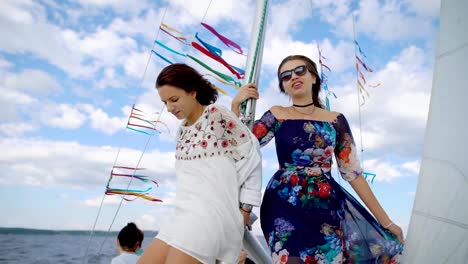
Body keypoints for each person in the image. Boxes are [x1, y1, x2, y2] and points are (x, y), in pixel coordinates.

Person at [231, 55, 404, 263]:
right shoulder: (277, 115)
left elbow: (353, 175)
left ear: (313, 77)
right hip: (283, 204)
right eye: (285, 76)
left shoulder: (335, 120)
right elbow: (240, 147)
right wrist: (235, 106)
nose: (293, 76)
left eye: (300, 70)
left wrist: (386, 222)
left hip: (326, 209)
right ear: (284, 87)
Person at [138, 63, 262, 264]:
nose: (169, 108)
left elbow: (252, 156)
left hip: (209, 216)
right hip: (181, 213)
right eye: (164, 103)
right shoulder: (181, 131)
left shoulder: (216, 114)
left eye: (174, 99)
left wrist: (246, 209)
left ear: (193, 92)